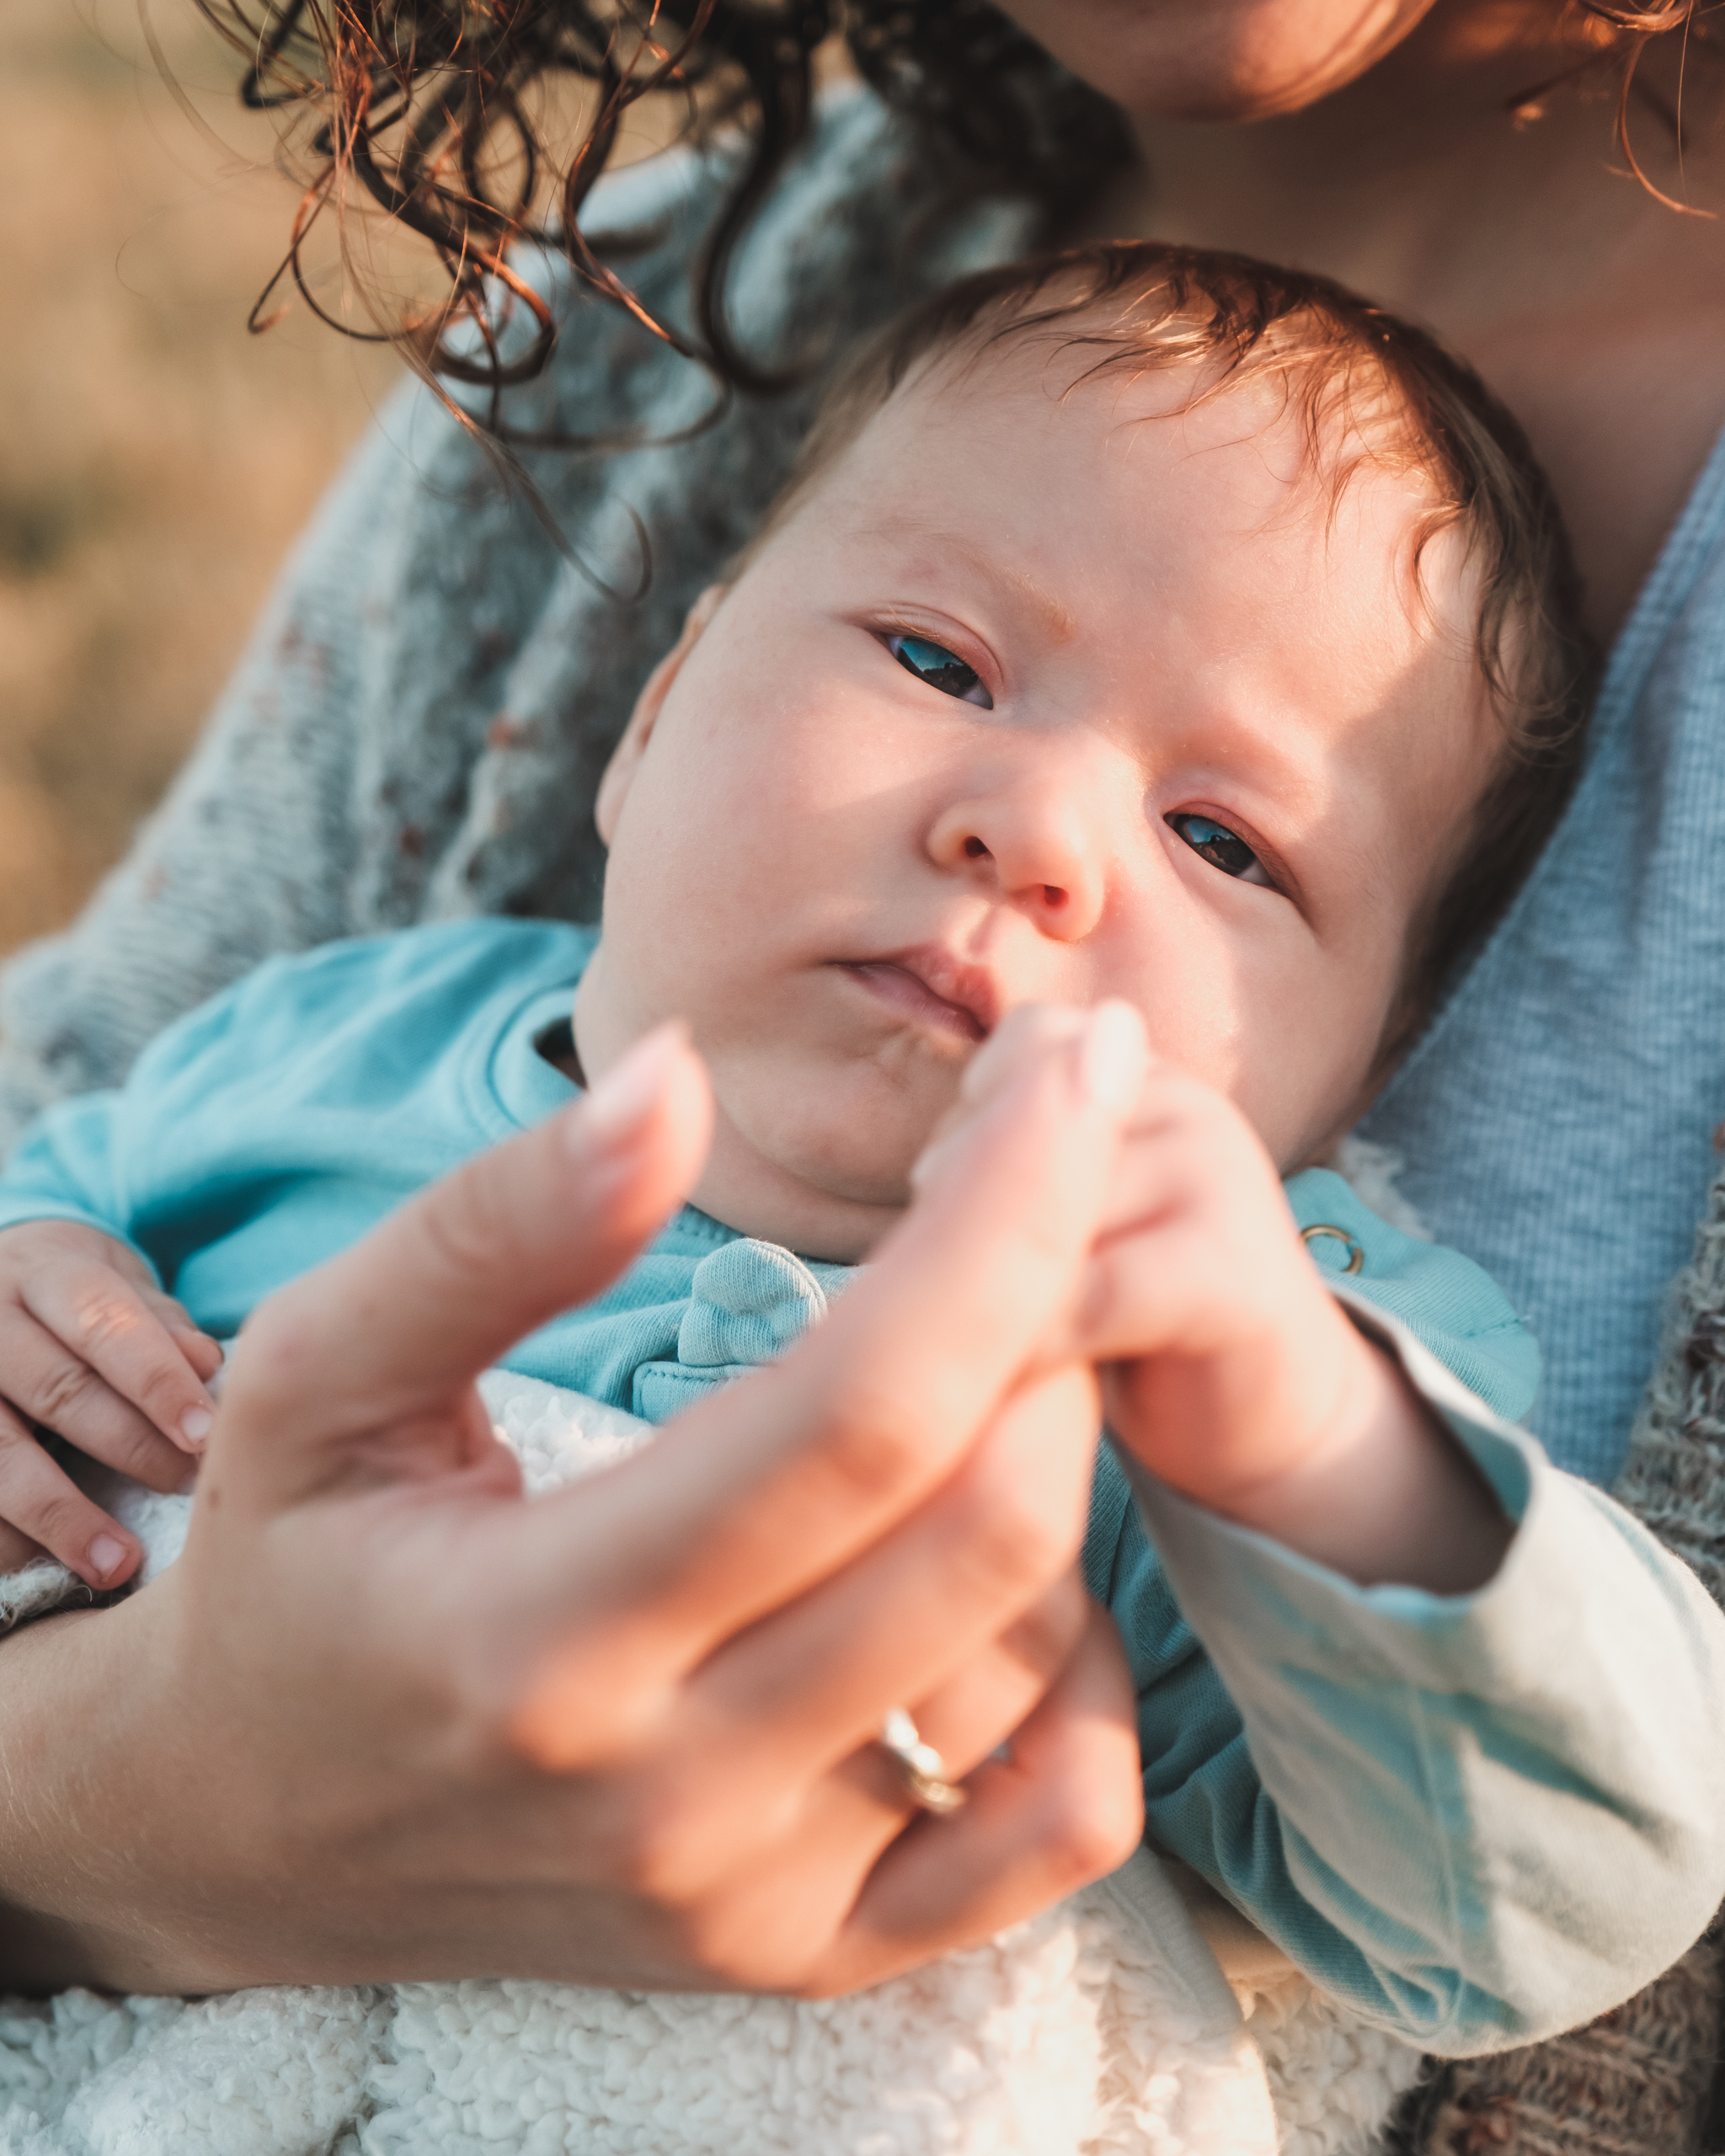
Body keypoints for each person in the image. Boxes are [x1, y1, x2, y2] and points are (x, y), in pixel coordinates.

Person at [1, 2, 1723, 2143]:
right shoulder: (330, 1038)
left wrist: (1305, 1437)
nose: (1039, 830)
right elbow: (44, 1170)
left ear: (1356, 1070)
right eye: (936, 660)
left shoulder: (1223, 1379)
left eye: (1224, 844)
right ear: (651, 714)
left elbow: (1531, 1912)